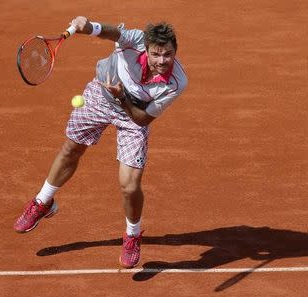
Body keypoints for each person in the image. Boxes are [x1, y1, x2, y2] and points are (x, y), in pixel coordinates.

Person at [13, 16, 188, 268]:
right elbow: (113, 33)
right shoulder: (136, 40)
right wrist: (89, 28)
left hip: (132, 114)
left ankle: (133, 234)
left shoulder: (176, 83)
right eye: (156, 54)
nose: (162, 61)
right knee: (72, 149)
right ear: (146, 49)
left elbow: (141, 119)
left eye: (168, 55)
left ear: (175, 52)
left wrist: (123, 99)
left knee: (129, 185)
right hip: (100, 95)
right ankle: (43, 202)